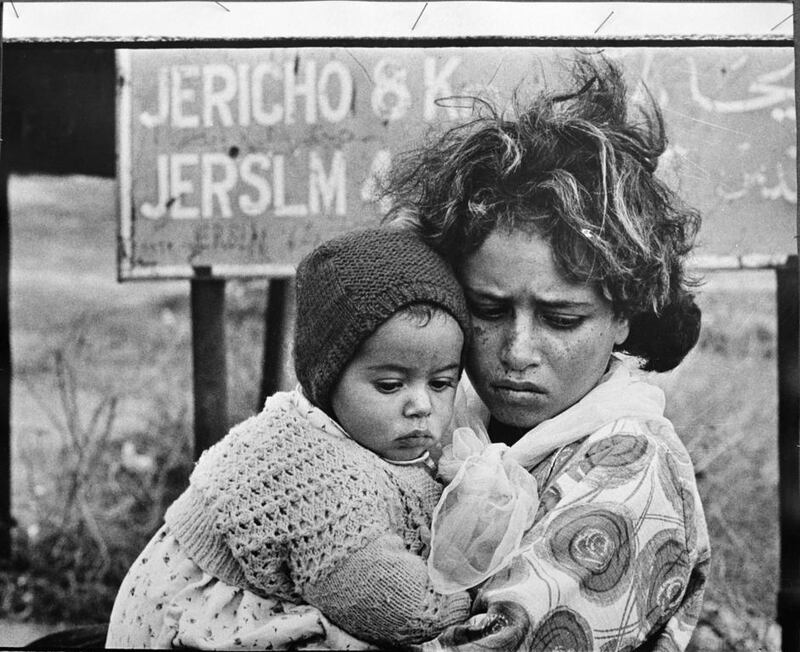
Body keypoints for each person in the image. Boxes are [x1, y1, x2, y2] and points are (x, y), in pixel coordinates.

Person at [381, 56, 711, 651]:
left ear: (623, 317)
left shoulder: (631, 474)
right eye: (487, 310)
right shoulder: (448, 420)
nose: (517, 351)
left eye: (561, 319)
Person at [105, 227, 474, 649]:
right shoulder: (314, 474)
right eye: (390, 385)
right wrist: (475, 600)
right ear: (327, 378)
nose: (421, 405)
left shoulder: (370, 434)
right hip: (190, 620)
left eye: (442, 383)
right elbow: (402, 610)